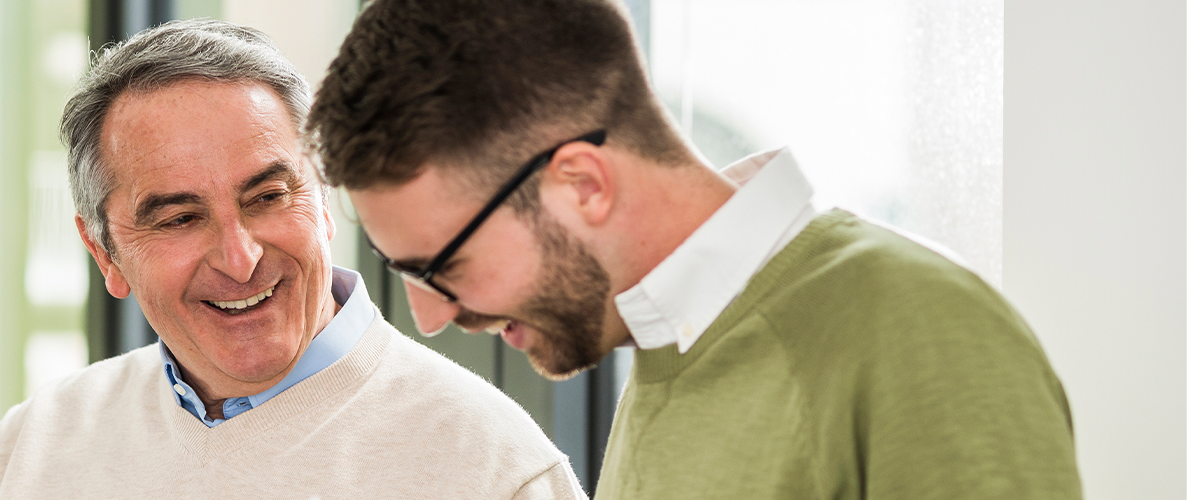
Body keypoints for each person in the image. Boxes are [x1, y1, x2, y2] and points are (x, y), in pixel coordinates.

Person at [305, 0, 1082, 498]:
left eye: (442, 268)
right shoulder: (666, 346)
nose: (431, 318)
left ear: (581, 184)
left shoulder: (919, 330)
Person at [0, 19, 585, 499]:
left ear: (321, 195)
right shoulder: (32, 448)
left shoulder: (496, 469)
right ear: (105, 254)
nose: (240, 258)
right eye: (180, 218)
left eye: (266, 197)